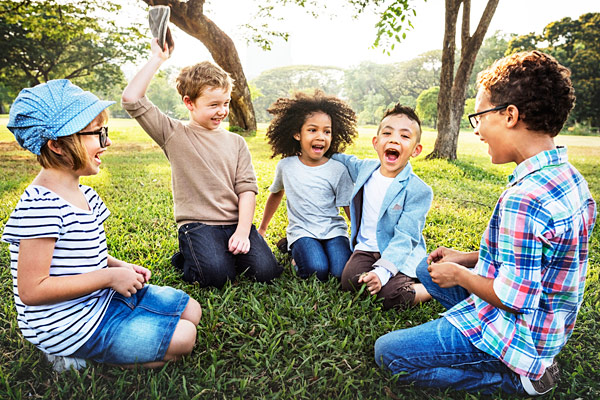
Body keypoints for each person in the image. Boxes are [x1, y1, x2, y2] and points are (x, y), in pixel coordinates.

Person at [374, 51, 596, 395]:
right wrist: (466, 258)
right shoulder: (568, 178)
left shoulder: (526, 198)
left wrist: (460, 275)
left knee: (389, 353)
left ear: (509, 115)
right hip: (549, 325)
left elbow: (515, 300)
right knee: (425, 267)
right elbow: (538, 257)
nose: (476, 130)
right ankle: (467, 328)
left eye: (479, 116)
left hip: (519, 333)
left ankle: (514, 379)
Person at [2, 79, 202, 371]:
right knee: (185, 337)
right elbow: (33, 289)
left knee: (192, 311)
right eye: (98, 133)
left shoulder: (84, 194)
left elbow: (80, 255)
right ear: (57, 144)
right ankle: (78, 359)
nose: (107, 143)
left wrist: (117, 267)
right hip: (69, 325)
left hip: (99, 301)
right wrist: (108, 279)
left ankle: (114, 337)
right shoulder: (41, 207)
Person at [121, 38, 282, 289]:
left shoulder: (237, 142)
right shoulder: (173, 133)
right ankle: (188, 256)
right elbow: (131, 99)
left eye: (226, 103)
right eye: (213, 105)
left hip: (234, 223)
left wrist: (242, 232)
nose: (222, 111)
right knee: (216, 277)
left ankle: (220, 253)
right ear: (189, 103)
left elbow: (246, 190)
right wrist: (158, 59)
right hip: (198, 225)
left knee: (267, 272)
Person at [332, 104, 433, 310]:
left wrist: (382, 272)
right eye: (387, 133)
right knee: (350, 282)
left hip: (399, 252)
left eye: (405, 136)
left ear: (416, 150)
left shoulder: (419, 190)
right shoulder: (365, 169)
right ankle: (380, 278)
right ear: (376, 143)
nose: (394, 139)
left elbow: (406, 237)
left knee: (390, 296)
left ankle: (430, 287)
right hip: (366, 249)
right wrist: (315, 150)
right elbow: (341, 159)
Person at [257, 90, 357, 281]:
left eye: (326, 131)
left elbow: (347, 205)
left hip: (334, 231)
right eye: (312, 130)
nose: (321, 136)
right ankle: (295, 253)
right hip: (302, 231)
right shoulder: (286, 166)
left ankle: (303, 251)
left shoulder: (338, 169)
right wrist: (263, 228)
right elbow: (276, 194)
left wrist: (361, 237)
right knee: (316, 270)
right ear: (297, 134)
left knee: (339, 272)